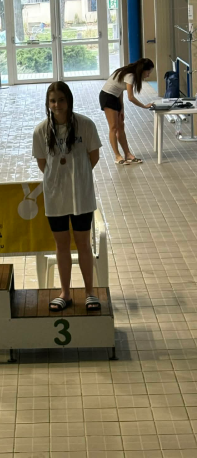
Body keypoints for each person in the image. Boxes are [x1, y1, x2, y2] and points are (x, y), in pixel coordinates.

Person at [33, 81, 102, 312]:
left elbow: (94, 157)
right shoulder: (41, 131)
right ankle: (65, 293)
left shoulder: (85, 125)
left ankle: (90, 292)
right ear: (47, 103)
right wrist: (60, 180)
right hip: (55, 197)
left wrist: (77, 177)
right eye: (52, 101)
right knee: (61, 245)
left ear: (69, 101)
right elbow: (43, 164)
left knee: (83, 244)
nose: (57, 105)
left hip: (81, 195)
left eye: (61, 100)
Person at [99, 58, 154, 165]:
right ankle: (117, 156)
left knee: (121, 126)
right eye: (148, 72)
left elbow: (120, 90)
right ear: (142, 70)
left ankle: (128, 154)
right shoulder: (130, 75)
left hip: (115, 97)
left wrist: (122, 109)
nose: (148, 75)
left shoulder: (129, 73)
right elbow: (131, 97)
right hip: (107, 97)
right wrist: (144, 106)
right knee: (113, 127)